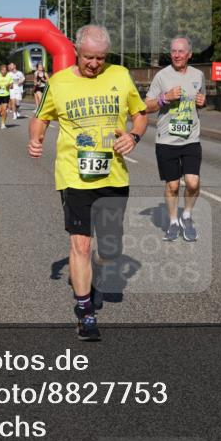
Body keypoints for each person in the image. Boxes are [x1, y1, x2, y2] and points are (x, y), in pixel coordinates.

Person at [28, 25, 147, 341]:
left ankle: (90, 279)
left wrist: (134, 136)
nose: (95, 64)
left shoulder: (120, 76)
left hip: (114, 175)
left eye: (100, 58)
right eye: (89, 57)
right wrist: (35, 139)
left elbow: (141, 113)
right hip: (74, 176)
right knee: (80, 243)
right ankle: (85, 312)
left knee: (109, 249)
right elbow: (41, 117)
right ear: (77, 52)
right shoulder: (59, 82)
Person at [144, 37, 206, 241]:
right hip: (166, 140)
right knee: (172, 186)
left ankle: (186, 216)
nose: (177, 55)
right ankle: (173, 221)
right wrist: (165, 98)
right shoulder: (162, 77)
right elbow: (146, 106)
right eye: (173, 51)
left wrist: (202, 102)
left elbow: (200, 100)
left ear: (190, 54)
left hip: (191, 138)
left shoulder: (199, 75)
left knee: (192, 182)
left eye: (181, 51)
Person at [0, 63, 12, 129]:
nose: (4, 71)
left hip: (6, 95)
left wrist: (9, 86)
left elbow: (11, 85)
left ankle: (3, 124)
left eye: (5, 70)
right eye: (2, 70)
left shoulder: (9, 76)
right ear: (0, 70)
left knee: (4, 110)